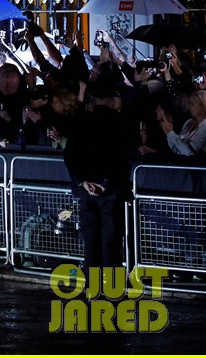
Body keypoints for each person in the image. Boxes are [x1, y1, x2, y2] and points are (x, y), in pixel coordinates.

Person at [63, 71, 139, 272]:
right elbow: (121, 157)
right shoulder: (121, 123)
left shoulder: (81, 121)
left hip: (87, 191)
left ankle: (93, 287)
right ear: (114, 98)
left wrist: (83, 182)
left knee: (91, 243)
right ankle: (112, 288)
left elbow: (70, 155)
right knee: (111, 244)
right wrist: (105, 183)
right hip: (111, 192)